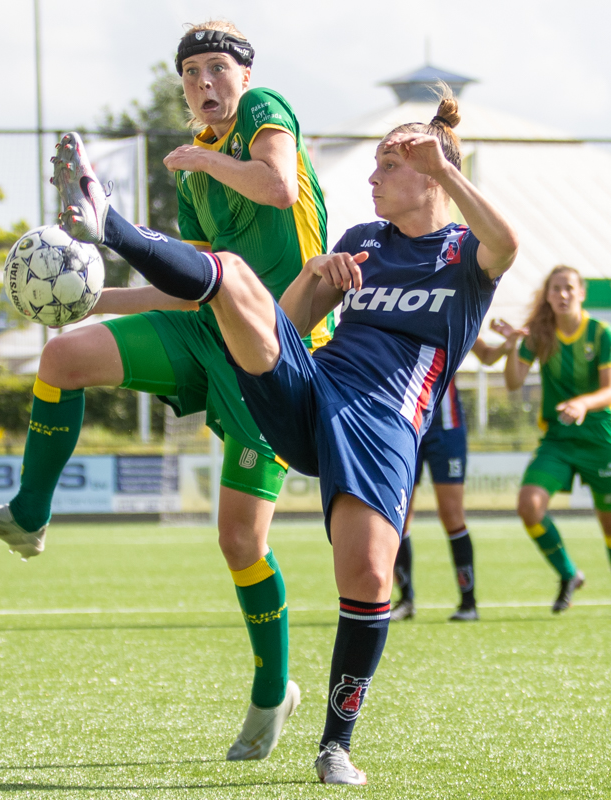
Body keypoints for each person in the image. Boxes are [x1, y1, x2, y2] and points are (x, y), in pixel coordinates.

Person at [51, 85, 517, 784]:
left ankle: (336, 745)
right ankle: (110, 224)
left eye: (390, 164)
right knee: (234, 275)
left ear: (430, 170)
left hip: (383, 425)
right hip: (311, 388)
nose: (372, 176)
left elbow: (508, 244)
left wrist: (449, 166)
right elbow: (289, 326)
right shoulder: (363, 242)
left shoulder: (465, 254)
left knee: (366, 575)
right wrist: (310, 278)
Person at [0, 20, 329, 761]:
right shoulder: (190, 170)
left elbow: (279, 186)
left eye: (218, 68)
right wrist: (98, 300)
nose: (205, 83)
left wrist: (200, 166)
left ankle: (273, 688)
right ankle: (29, 515)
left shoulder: (262, 113)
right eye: (191, 73)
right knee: (63, 358)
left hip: (278, 353)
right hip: (203, 332)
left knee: (239, 541)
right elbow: (194, 283)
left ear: (246, 76)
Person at [499, 266, 611, 617]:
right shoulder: (541, 334)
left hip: (600, 441)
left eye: (569, 288)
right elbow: (514, 382)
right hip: (558, 440)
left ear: (582, 293)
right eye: (556, 289)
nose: (562, 295)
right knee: (529, 505)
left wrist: (581, 403)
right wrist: (513, 345)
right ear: (547, 295)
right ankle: (569, 574)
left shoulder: (601, 333)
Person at [389, 334, 513, 623]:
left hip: (447, 429)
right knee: (400, 515)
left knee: (452, 514)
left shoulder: (450, 306)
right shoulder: (396, 305)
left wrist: (509, 344)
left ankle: (468, 602)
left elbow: (488, 355)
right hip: (405, 424)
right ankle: (405, 600)